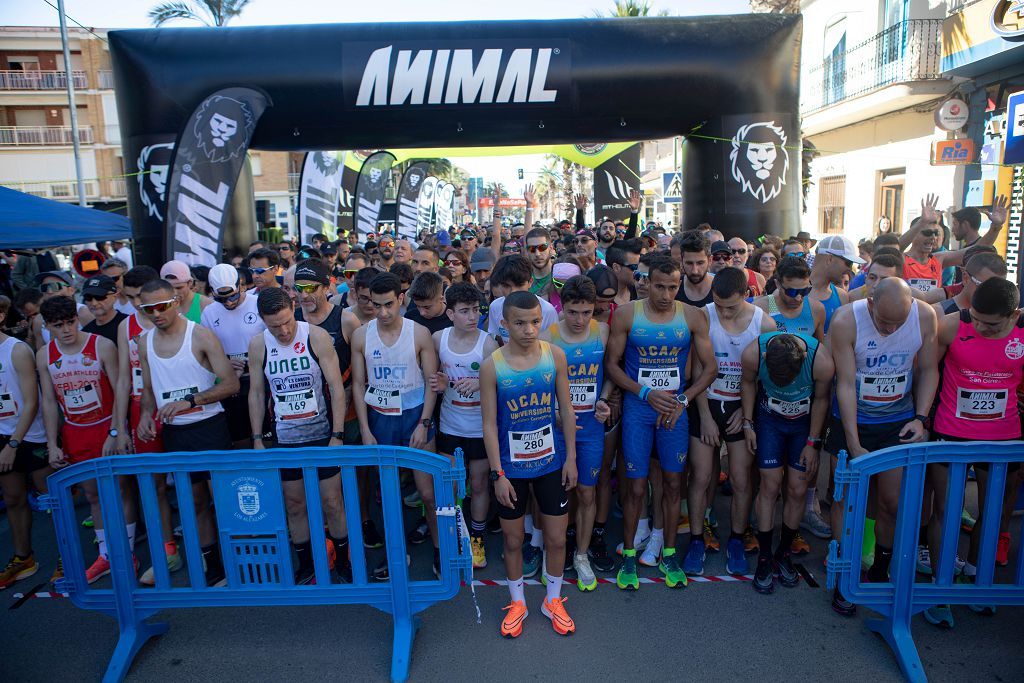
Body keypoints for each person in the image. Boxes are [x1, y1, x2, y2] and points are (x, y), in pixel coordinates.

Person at [826, 277, 938, 615]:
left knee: (891, 501)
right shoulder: (846, 319)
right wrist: (853, 440)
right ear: (871, 303)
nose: (889, 331)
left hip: (897, 421)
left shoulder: (924, 316)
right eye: (884, 322)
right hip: (854, 419)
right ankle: (847, 575)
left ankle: (878, 570)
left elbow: (929, 369)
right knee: (847, 499)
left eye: (897, 323)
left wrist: (921, 418)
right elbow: (845, 384)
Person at [606, 253, 716, 590]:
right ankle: (628, 557)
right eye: (658, 286)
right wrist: (643, 394)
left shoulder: (693, 317)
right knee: (636, 486)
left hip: (674, 409)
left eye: (672, 287)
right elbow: (612, 365)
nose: (666, 295)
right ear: (646, 282)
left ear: (679, 283)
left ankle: (669, 553)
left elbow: (710, 368)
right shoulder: (627, 314)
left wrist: (683, 399)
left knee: (672, 484)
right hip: (640, 408)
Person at [922, 278, 1024, 627]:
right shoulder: (954, 324)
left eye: (991, 324)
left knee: (993, 512)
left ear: (1012, 315)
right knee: (947, 511)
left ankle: (977, 579)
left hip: (1003, 435)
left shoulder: (1022, 334)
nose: (980, 326)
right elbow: (928, 371)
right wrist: (922, 417)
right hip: (952, 432)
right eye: (977, 318)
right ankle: (940, 589)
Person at [480, 291, 578, 637]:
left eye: (535, 321)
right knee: (512, 540)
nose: (529, 329)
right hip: (511, 468)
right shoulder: (493, 365)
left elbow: (566, 409)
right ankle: (518, 601)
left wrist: (571, 459)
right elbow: (489, 424)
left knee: (556, 539)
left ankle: (552, 599)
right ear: (504, 324)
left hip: (551, 463)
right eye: (520, 323)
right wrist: (498, 473)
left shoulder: (555, 356)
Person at [136, 278, 240, 587]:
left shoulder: (201, 336)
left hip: (209, 428)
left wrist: (190, 401)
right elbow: (149, 388)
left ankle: (237, 559)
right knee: (192, 502)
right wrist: (145, 415)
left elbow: (230, 384)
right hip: (175, 433)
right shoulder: (144, 342)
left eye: (162, 306)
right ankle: (213, 564)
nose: (156, 314)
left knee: (222, 500)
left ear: (177, 302)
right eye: (148, 308)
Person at [247, 287, 352, 584]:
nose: (282, 331)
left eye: (285, 322)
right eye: (273, 325)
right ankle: (306, 564)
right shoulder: (259, 344)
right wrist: (257, 438)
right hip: (286, 437)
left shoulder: (315, 336)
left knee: (332, 501)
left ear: (292, 307)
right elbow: (256, 392)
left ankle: (343, 562)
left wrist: (338, 434)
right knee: (295, 504)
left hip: (321, 433)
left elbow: (335, 388)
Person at [350, 272, 442, 578]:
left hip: (415, 416)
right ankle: (396, 554)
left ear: (401, 299)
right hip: (380, 419)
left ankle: (441, 550)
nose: (383, 312)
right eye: (376, 305)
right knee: (387, 493)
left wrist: (424, 423)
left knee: (427, 493)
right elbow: (359, 384)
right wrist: (364, 428)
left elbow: (431, 384)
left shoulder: (419, 334)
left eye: (389, 304)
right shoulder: (362, 336)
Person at [685, 267, 776, 577]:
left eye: (731, 306)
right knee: (701, 475)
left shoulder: (764, 323)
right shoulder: (703, 315)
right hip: (706, 402)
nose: (723, 312)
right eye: (719, 305)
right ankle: (697, 539)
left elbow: (766, 378)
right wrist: (707, 417)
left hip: (741, 405)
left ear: (747, 296)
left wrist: (747, 413)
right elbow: (697, 372)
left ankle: (736, 538)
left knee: (740, 478)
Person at [36, 295, 123, 584]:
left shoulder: (101, 345)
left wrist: (116, 430)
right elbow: (48, 401)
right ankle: (107, 555)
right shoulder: (44, 354)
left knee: (121, 493)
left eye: (71, 322)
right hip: (75, 430)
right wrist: (52, 443)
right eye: (58, 325)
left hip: (105, 426)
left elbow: (120, 389)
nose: (66, 330)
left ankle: (125, 551)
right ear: (47, 326)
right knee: (92, 496)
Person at [741, 331, 834, 593]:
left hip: (802, 426)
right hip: (770, 420)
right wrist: (748, 423)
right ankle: (764, 557)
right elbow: (747, 383)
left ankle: (783, 554)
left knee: (797, 489)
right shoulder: (752, 353)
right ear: (766, 357)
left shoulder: (821, 360)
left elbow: (822, 399)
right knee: (769, 486)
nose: (784, 384)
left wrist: (813, 443)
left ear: (803, 359)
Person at [541, 276, 613, 591]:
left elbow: (610, 374)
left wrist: (604, 400)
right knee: (555, 494)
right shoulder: (548, 336)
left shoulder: (603, 331)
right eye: (573, 312)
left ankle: (581, 555)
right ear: (563, 307)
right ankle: (550, 553)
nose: (580, 320)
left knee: (586, 492)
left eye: (586, 312)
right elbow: (541, 383)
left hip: (590, 427)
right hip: (556, 430)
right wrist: (552, 410)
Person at [429, 282, 497, 570]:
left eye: (476, 311)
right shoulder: (438, 339)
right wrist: (441, 384)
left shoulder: (488, 343)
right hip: (449, 426)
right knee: (453, 487)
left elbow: (499, 387)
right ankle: (456, 536)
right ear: (450, 313)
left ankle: (477, 539)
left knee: (480, 484)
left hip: (479, 428)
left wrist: (481, 382)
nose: (472, 317)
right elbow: (431, 379)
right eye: (465, 311)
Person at [0, 295, 51, 589]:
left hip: (30, 435)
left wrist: (14, 443)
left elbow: (32, 401)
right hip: (3, 434)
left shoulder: (17, 350)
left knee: (50, 500)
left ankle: (66, 559)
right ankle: (23, 557)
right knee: (13, 499)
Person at [200, 264, 267, 447]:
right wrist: (224, 364)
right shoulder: (209, 312)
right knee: (240, 440)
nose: (229, 302)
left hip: (261, 379)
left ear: (242, 286)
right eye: (222, 299)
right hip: (232, 383)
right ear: (212, 293)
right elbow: (206, 353)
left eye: (233, 296)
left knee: (265, 439)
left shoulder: (259, 304)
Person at [898, 194, 1005, 293]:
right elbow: (893, 249)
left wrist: (995, 227)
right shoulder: (901, 259)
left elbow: (976, 249)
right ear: (914, 234)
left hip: (933, 312)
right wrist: (921, 222)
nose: (933, 237)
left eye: (935, 233)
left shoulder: (938, 259)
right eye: (927, 233)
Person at [488, 256, 558, 346]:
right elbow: (496, 339)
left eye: (519, 285)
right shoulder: (495, 307)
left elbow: (554, 344)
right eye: (506, 286)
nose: (513, 291)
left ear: (530, 282)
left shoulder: (548, 311)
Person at [752, 256, 825, 341]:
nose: (798, 298)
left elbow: (819, 350)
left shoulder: (816, 310)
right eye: (792, 292)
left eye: (804, 291)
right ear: (778, 284)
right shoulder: (760, 309)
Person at [810, 235, 860, 332]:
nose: (849, 269)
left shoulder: (842, 296)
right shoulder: (790, 291)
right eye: (848, 263)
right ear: (830, 259)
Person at [31, 271, 93, 348]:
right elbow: (42, 352)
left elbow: (97, 344)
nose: (49, 291)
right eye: (45, 288)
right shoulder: (39, 320)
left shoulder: (84, 313)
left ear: (71, 290)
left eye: (55, 286)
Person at [81, 275, 128, 345]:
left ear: (115, 297)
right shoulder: (85, 333)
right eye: (88, 297)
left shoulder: (129, 324)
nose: (94, 303)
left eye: (99, 297)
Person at [675, 231, 714, 307]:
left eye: (700, 263)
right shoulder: (672, 288)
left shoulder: (722, 288)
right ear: (681, 261)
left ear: (710, 260)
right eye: (689, 263)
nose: (694, 271)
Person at [605, 239, 642, 306]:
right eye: (635, 267)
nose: (639, 272)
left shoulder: (639, 291)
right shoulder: (602, 300)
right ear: (616, 267)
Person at [525, 227, 554, 296]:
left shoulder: (560, 277)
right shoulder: (522, 279)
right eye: (532, 249)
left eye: (542, 247)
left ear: (551, 248)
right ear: (527, 251)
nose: (537, 254)